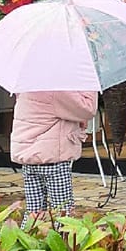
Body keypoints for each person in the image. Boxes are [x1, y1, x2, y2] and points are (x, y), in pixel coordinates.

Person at [10, 90, 99, 219]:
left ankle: (27, 237)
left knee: (34, 214)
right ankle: (61, 238)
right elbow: (87, 109)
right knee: (63, 213)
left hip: (29, 159)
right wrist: (89, 86)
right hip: (53, 160)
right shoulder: (55, 90)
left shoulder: (26, 89)